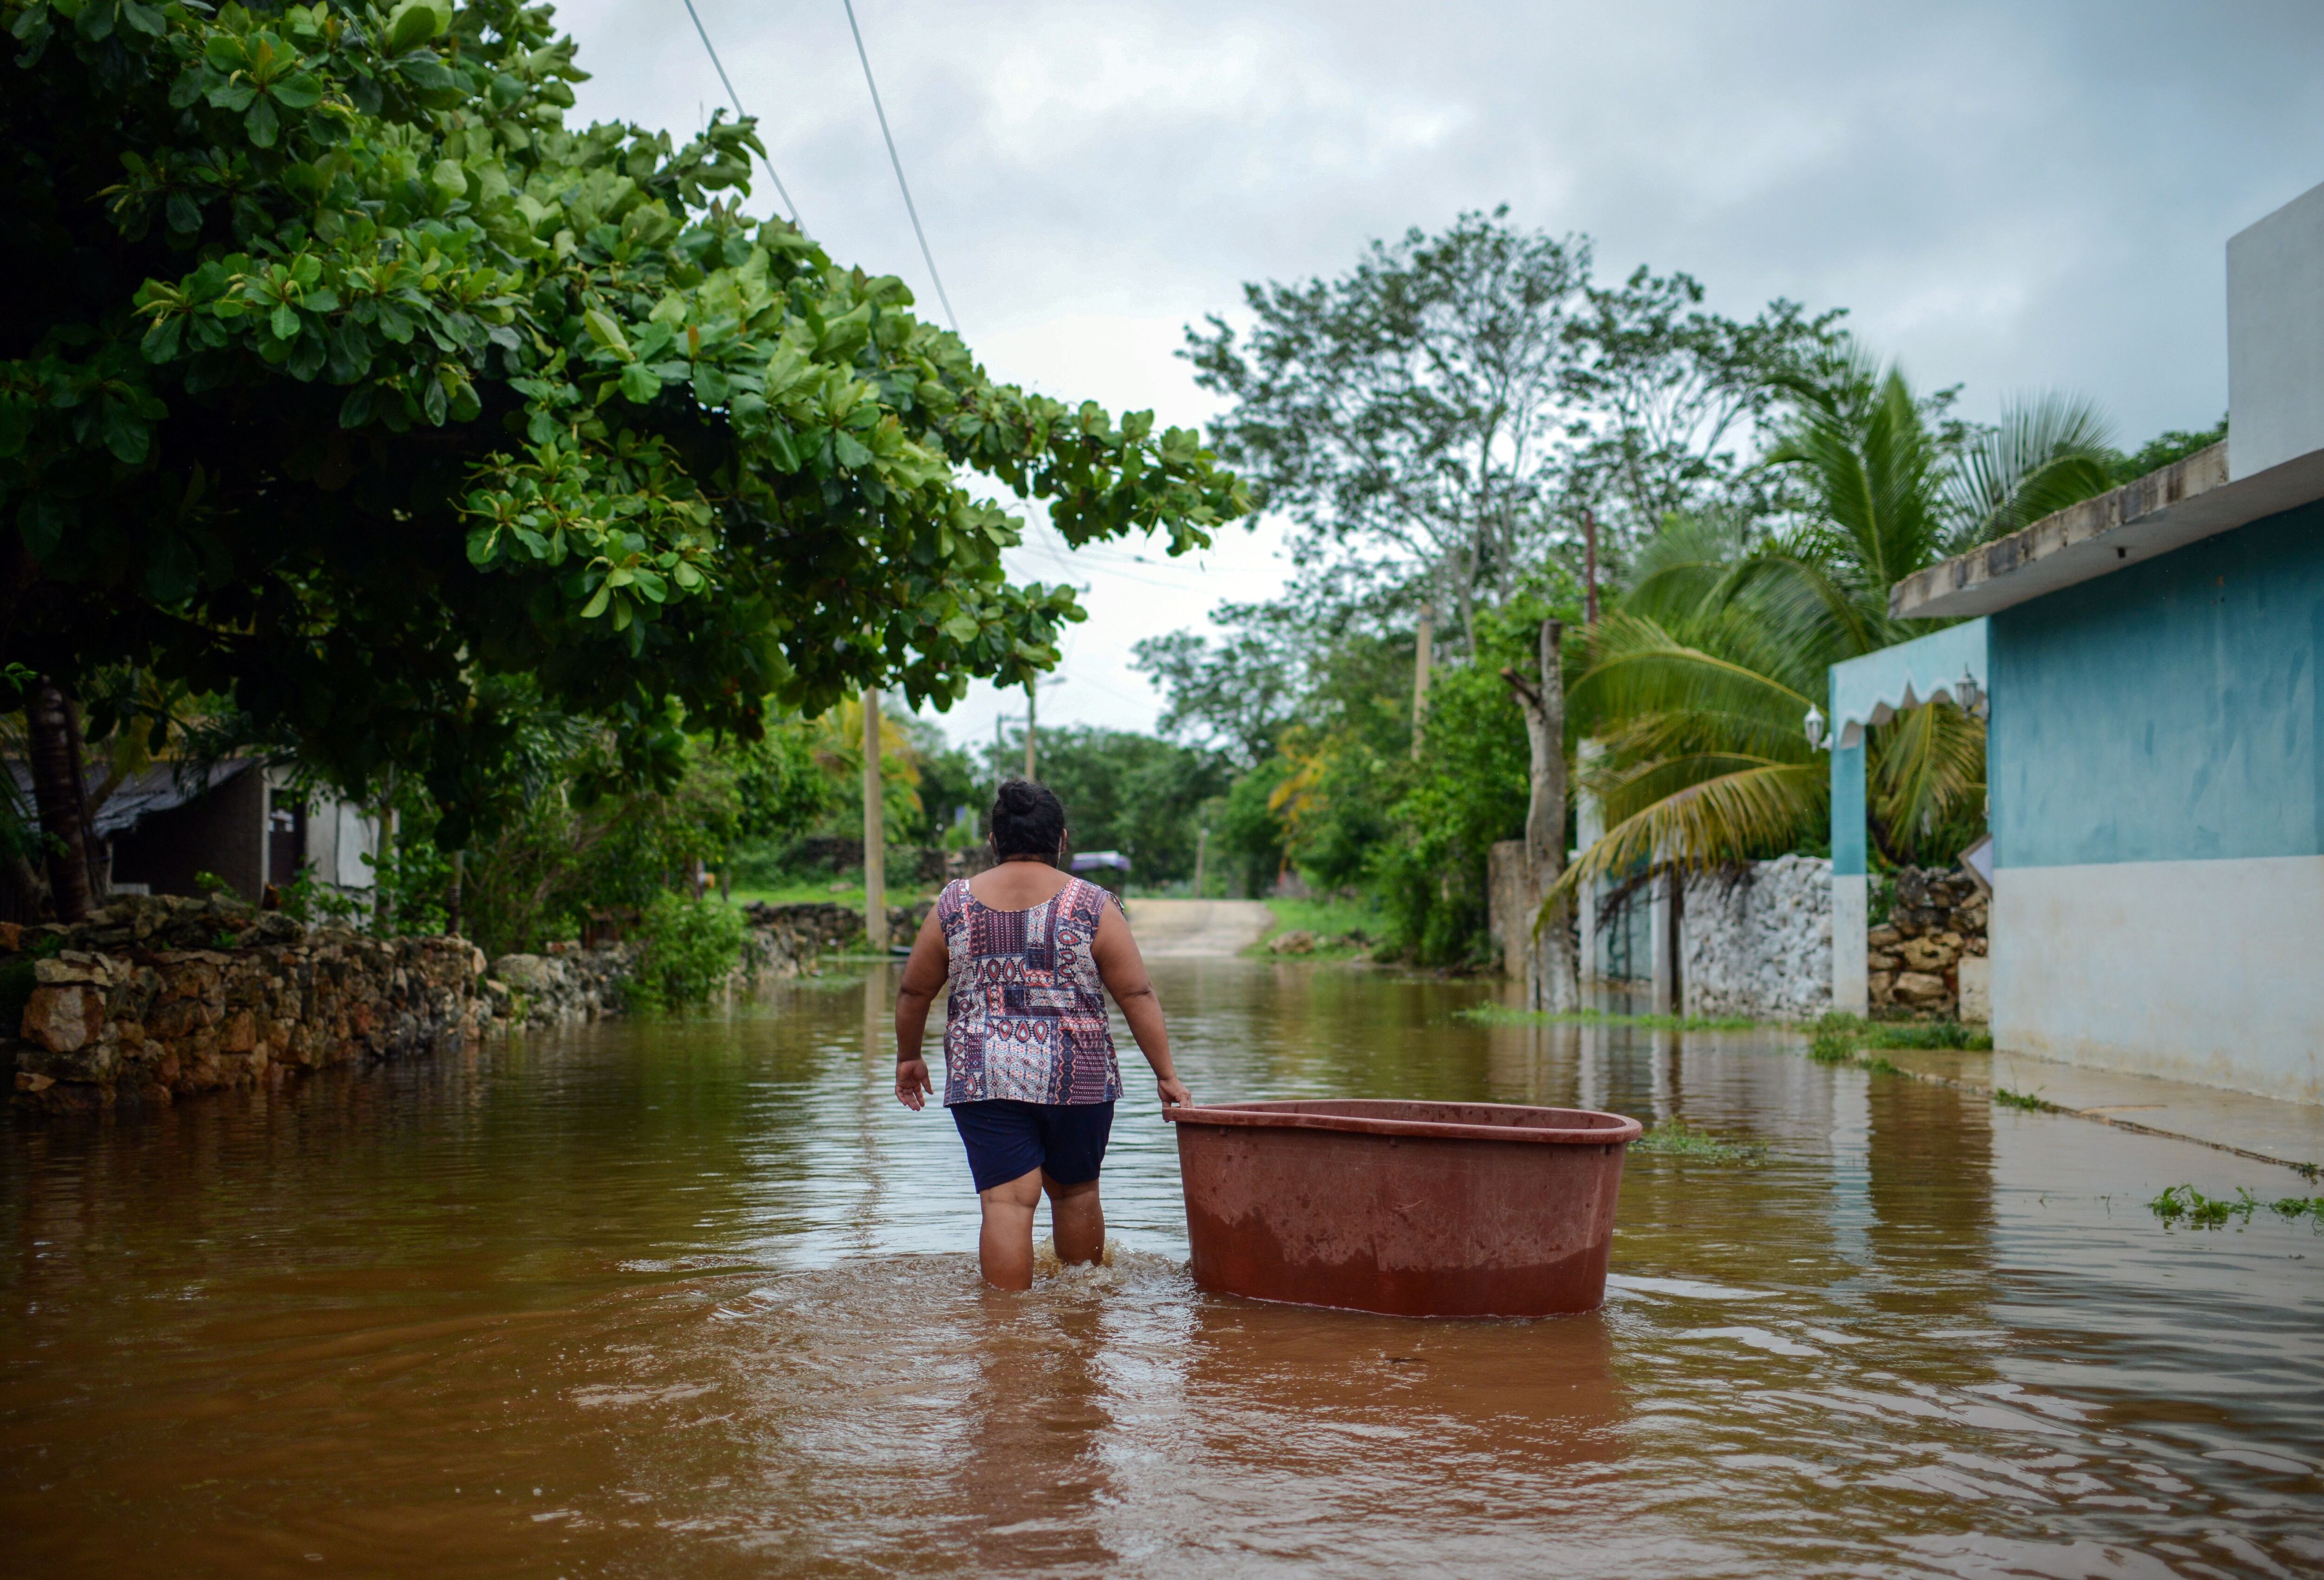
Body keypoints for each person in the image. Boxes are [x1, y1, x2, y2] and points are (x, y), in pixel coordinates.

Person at [893, 779, 1191, 1289]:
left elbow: (914, 992)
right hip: (1077, 1072)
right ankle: (1081, 1316)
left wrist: (908, 1057)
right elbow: (1136, 994)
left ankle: (1006, 1333)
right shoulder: (1094, 904)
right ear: (1063, 840)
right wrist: (1165, 1075)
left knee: (1006, 1202)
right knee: (1075, 1195)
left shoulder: (952, 904)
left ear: (993, 840)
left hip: (984, 1072)